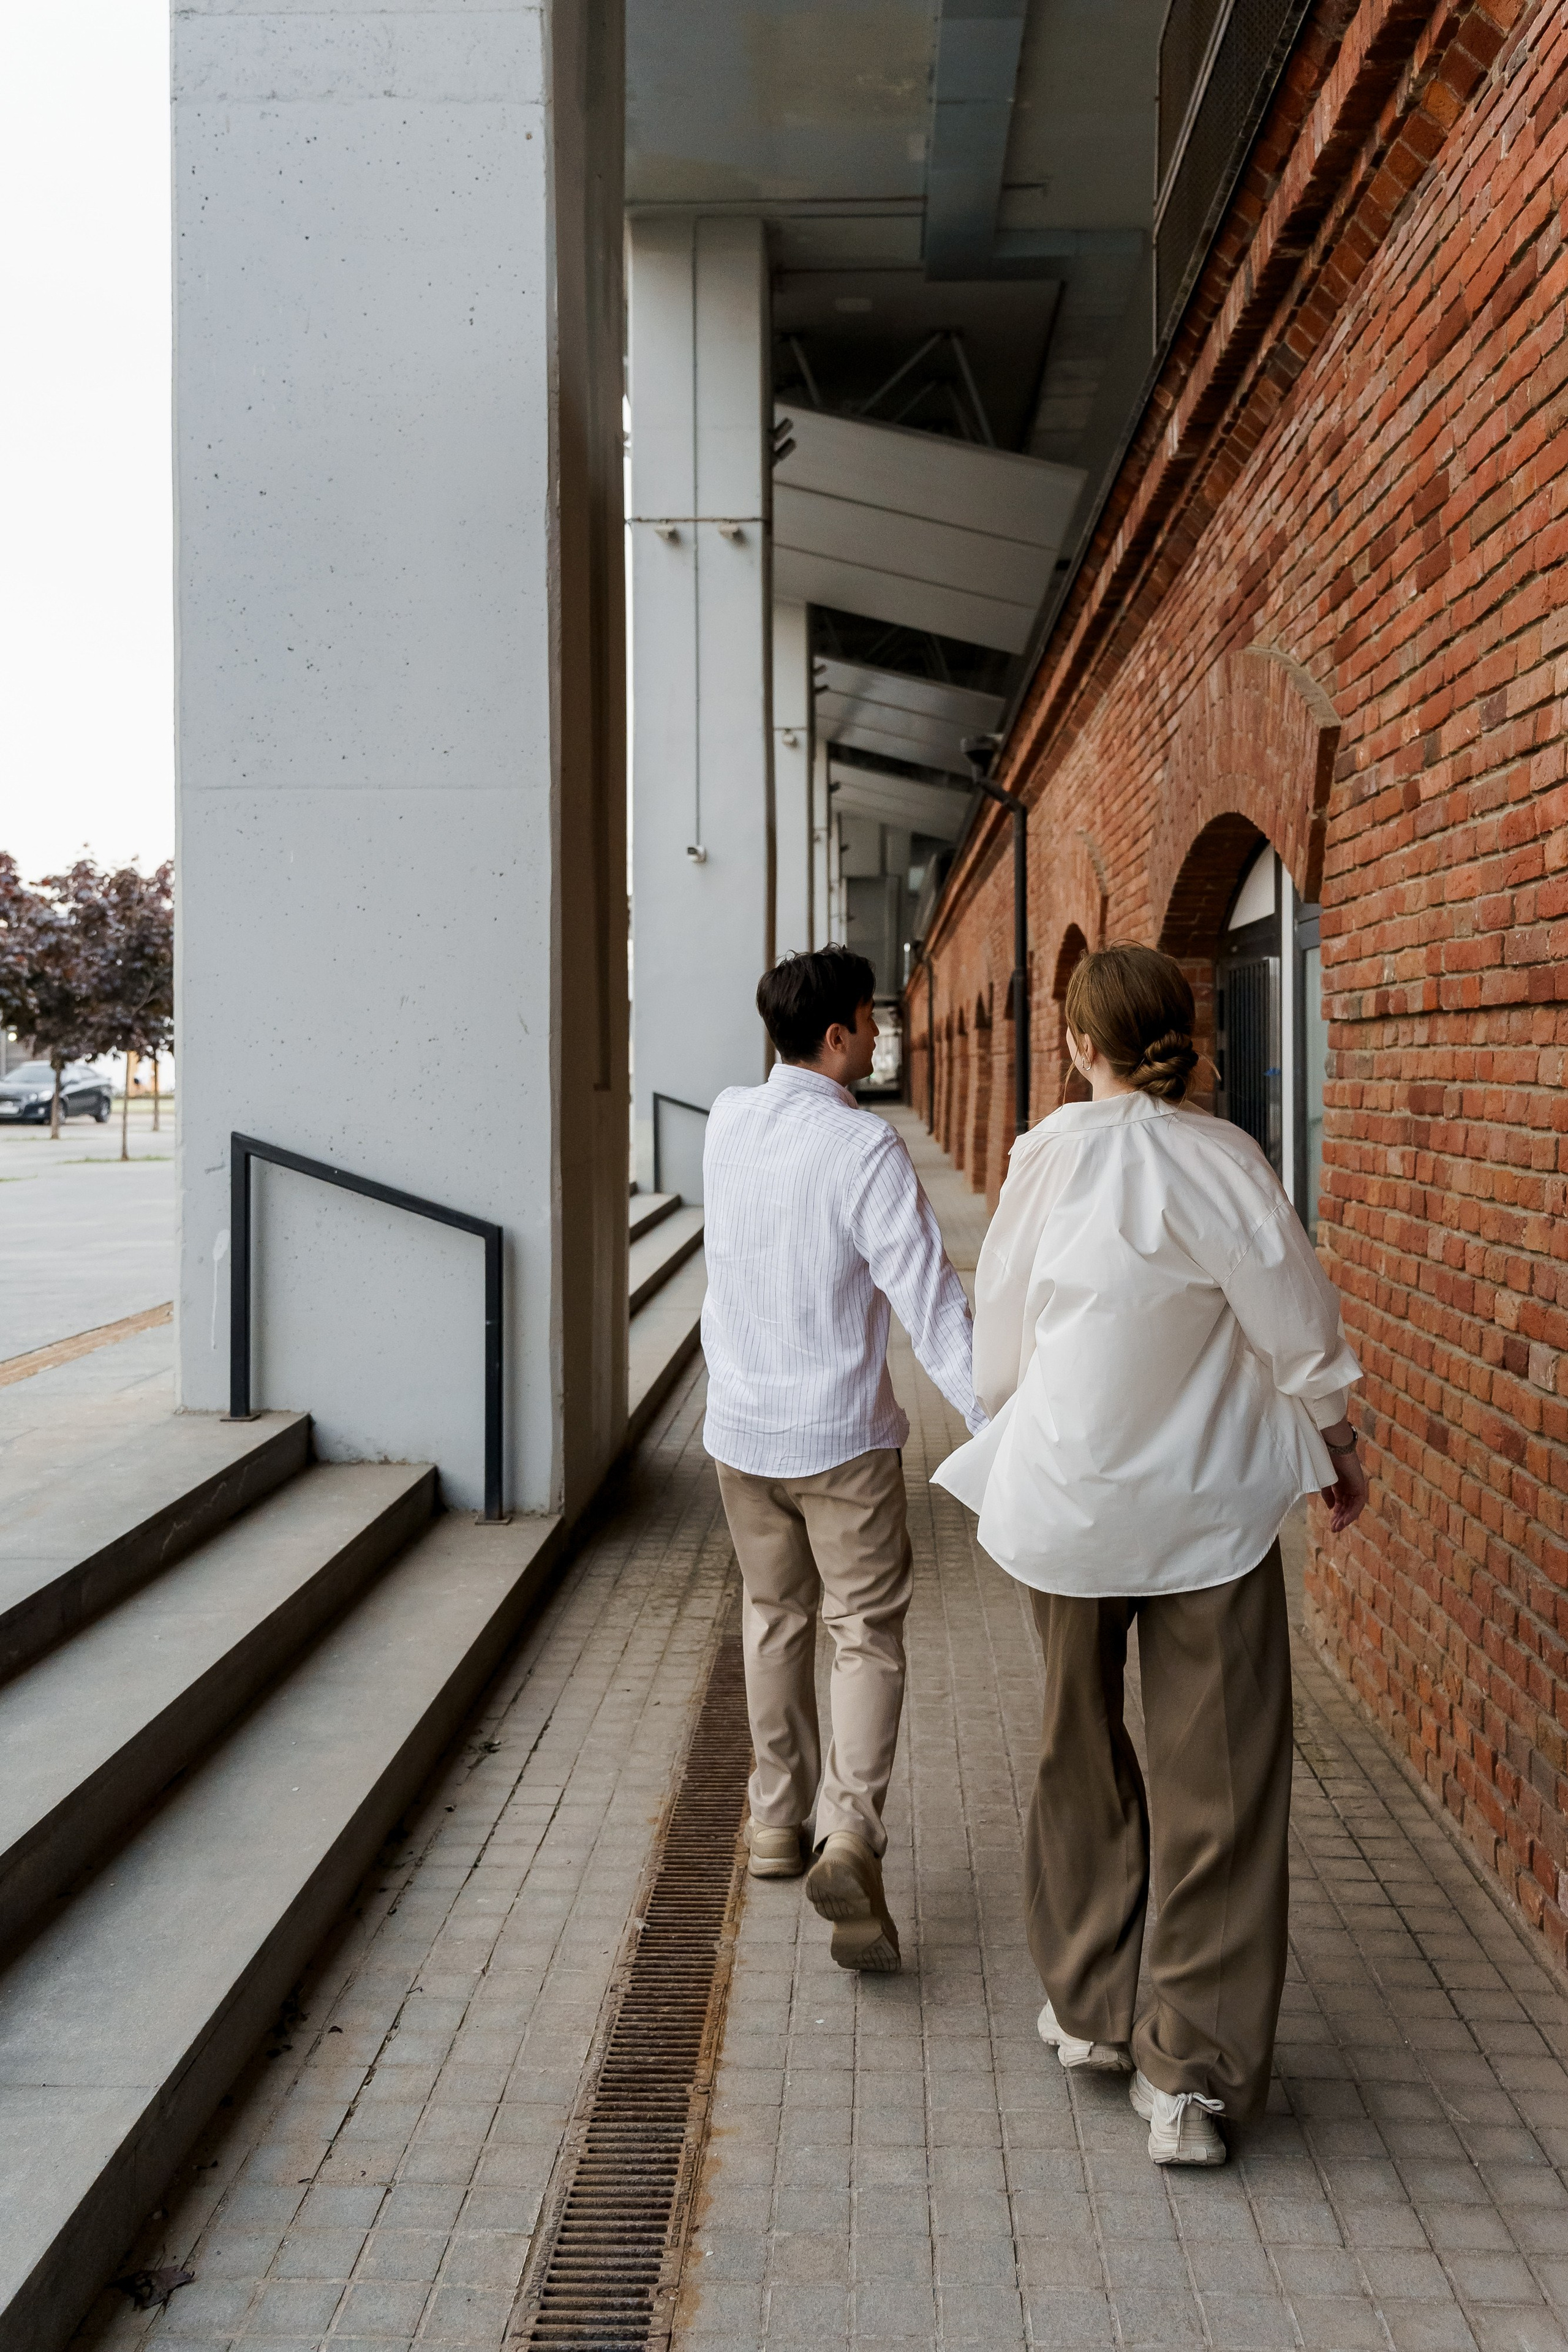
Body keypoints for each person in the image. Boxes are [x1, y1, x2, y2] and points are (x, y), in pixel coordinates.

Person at [934, 942, 1366, 2165]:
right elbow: (1296, 1323)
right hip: (1211, 1517)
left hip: (1064, 1509)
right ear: (1181, 1035)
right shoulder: (1223, 1160)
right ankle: (1191, 2081)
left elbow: (1001, 1347)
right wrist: (1333, 1439)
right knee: (1218, 1787)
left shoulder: (1039, 1164)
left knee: (1076, 1752)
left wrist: (1024, 1422)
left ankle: (1084, 2011)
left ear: (1077, 1045)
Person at [702, 946, 987, 1972]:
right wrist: (997, 1432)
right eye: (870, 1023)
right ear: (837, 1036)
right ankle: (850, 1835)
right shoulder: (863, 1150)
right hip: (839, 1440)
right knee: (862, 1633)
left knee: (773, 1616)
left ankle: (775, 1823)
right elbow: (930, 1303)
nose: (876, 1040)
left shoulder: (728, 1121)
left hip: (739, 1432)